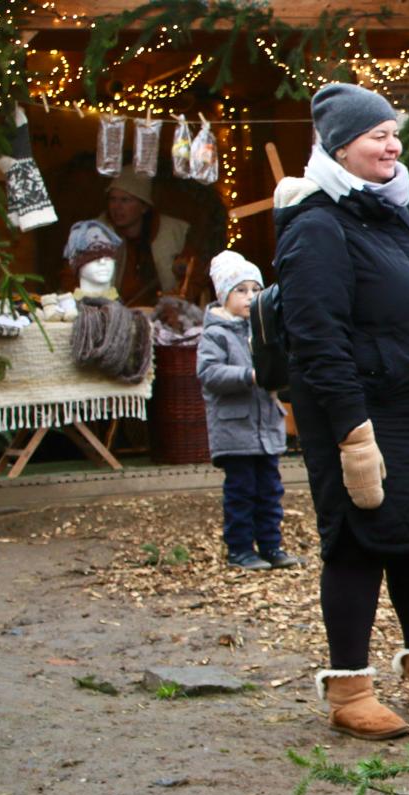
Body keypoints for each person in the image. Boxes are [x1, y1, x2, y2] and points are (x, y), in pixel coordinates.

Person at [273, 82, 409, 741]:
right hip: (363, 418)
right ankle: (349, 687)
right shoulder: (317, 226)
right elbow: (316, 340)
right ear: (339, 147)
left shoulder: (397, 212)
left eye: (394, 132)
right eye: (377, 136)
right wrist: (351, 433)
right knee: (358, 545)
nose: (392, 145)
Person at [195, 249, 300, 572]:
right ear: (224, 296)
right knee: (241, 493)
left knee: (270, 491)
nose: (250, 297)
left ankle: (271, 545)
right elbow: (209, 374)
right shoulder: (216, 333)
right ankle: (240, 549)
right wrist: (250, 376)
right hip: (235, 429)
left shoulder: (264, 331)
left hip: (266, 427)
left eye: (256, 290)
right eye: (240, 290)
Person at [98, 172, 199, 305]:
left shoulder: (173, 233)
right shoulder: (97, 233)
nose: (117, 207)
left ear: (144, 207)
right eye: (113, 199)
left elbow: (193, 277)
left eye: (125, 200)